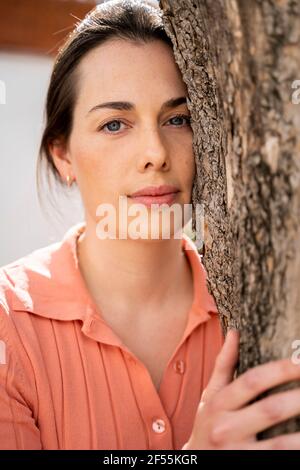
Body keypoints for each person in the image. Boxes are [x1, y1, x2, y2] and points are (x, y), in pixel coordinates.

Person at [0, 0, 300, 451]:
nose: (156, 152)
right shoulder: (10, 329)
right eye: (115, 124)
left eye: (177, 119)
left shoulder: (260, 303)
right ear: (63, 156)